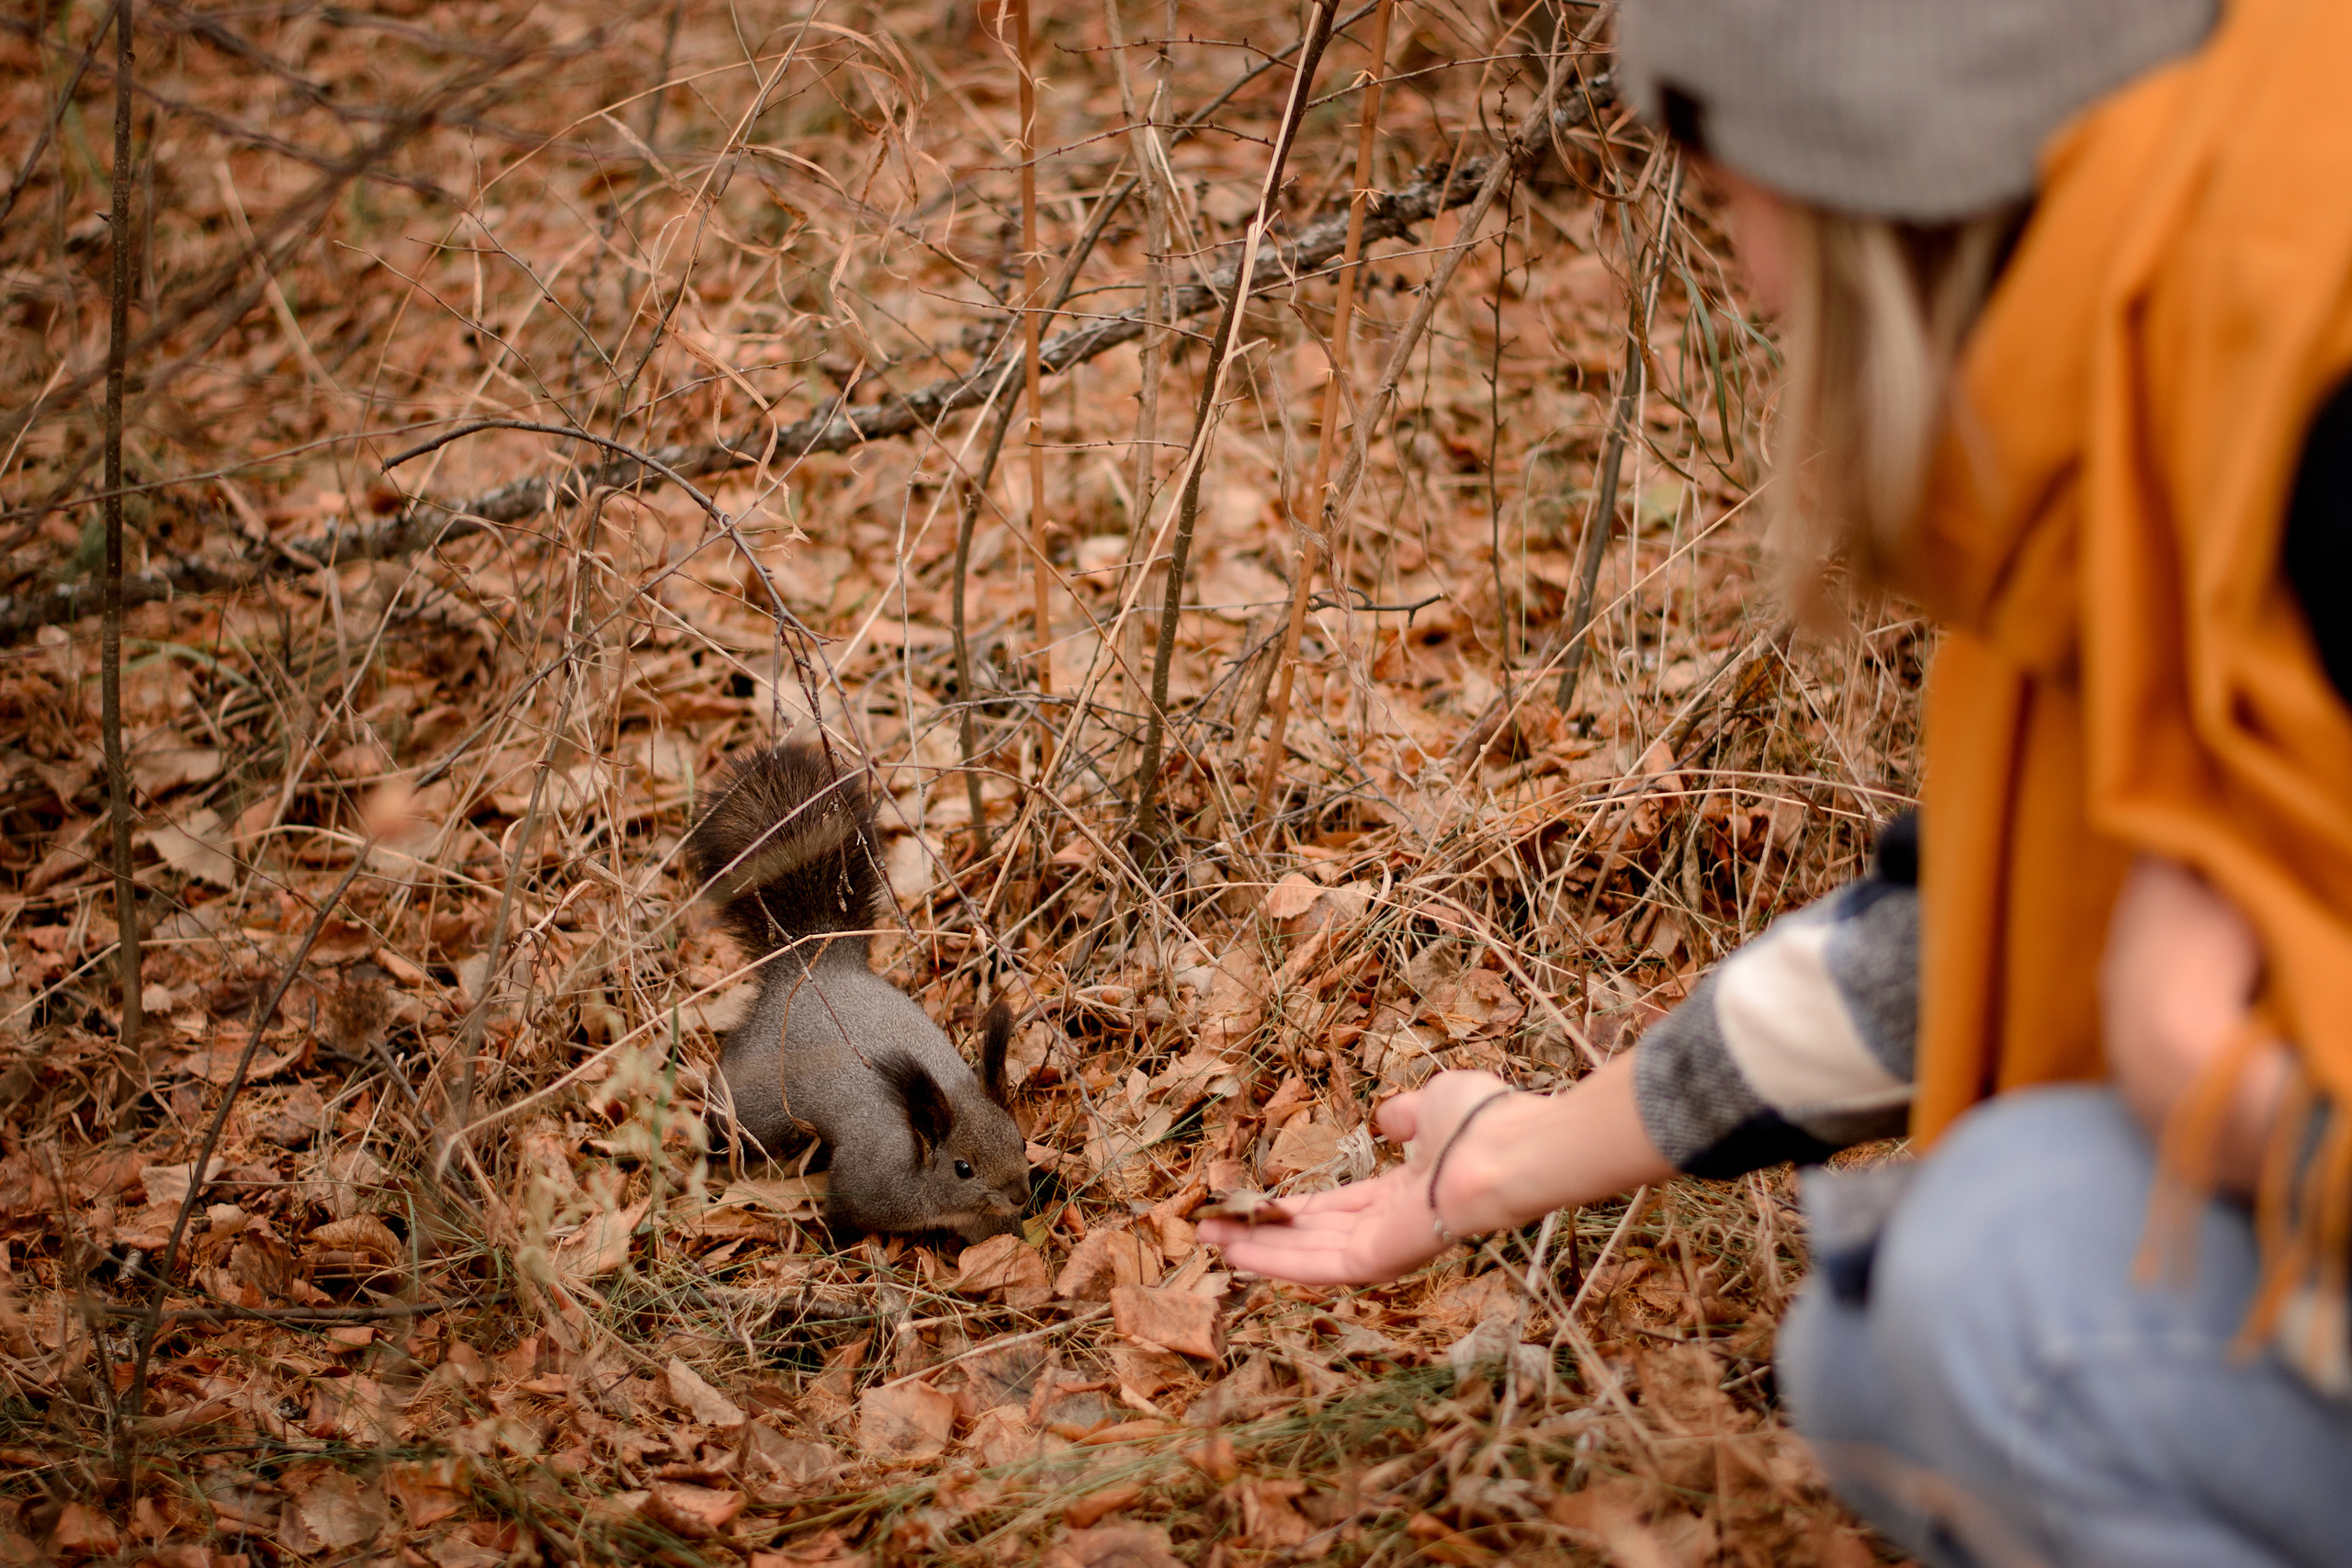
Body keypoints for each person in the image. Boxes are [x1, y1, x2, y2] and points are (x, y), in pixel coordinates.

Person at [1200, 3, 2352, 1563]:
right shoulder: (2157, 399)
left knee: (1996, 1288)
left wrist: (2227, 1089)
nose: (1744, 276)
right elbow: (1952, 943)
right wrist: (1507, 1162)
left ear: (1869, 169)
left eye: (1734, 195)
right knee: (1868, 1360)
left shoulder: (2300, 393)